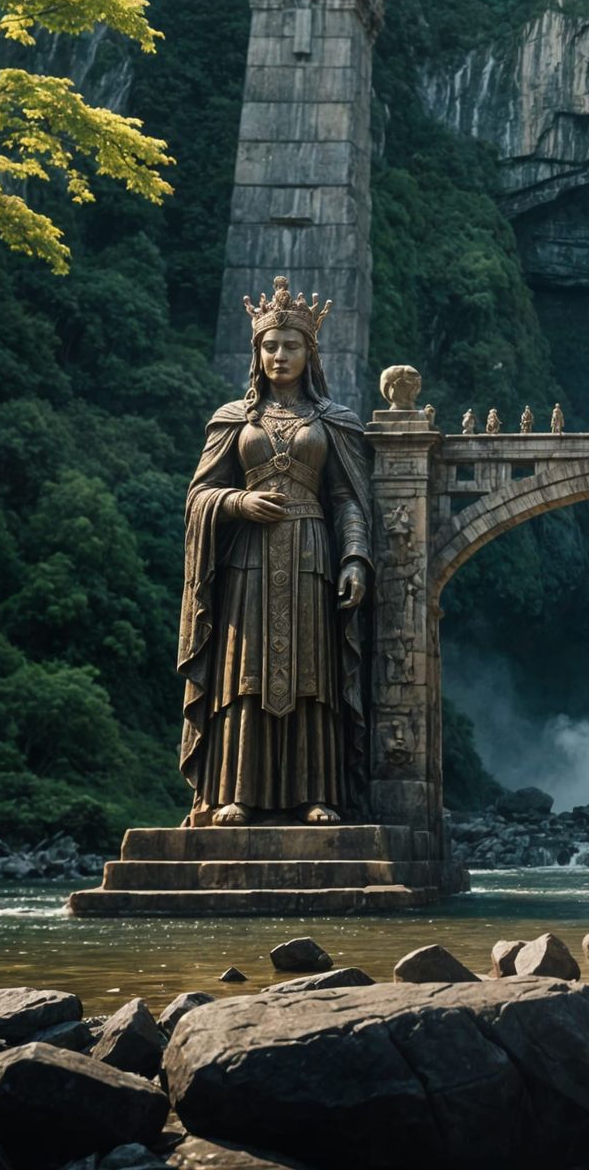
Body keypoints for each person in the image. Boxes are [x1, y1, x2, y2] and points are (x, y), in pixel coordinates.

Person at [177, 278, 370, 826]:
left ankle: (316, 793)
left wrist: (355, 558)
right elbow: (198, 498)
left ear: (311, 353)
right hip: (248, 562)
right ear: (256, 354)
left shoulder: (335, 422)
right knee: (245, 671)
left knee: (314, 673)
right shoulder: (233, 419)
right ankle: (234, 792)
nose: (279, 355)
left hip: (313, 555)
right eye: (270, 345)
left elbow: (348, 500)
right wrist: (237, 502)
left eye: (291, 345)